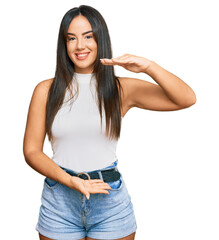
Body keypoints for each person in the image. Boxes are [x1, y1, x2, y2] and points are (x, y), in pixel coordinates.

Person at [23, 5, 196, 240]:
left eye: (88, 36)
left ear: (100, 39)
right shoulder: (46, 90)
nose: (80, 46)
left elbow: (186, 98)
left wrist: (148, 67)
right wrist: (71, 181)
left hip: (109, 203)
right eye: (71, 38)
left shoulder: (120, 88)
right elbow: (31, 151)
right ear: (64, 44)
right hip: (60, 201)